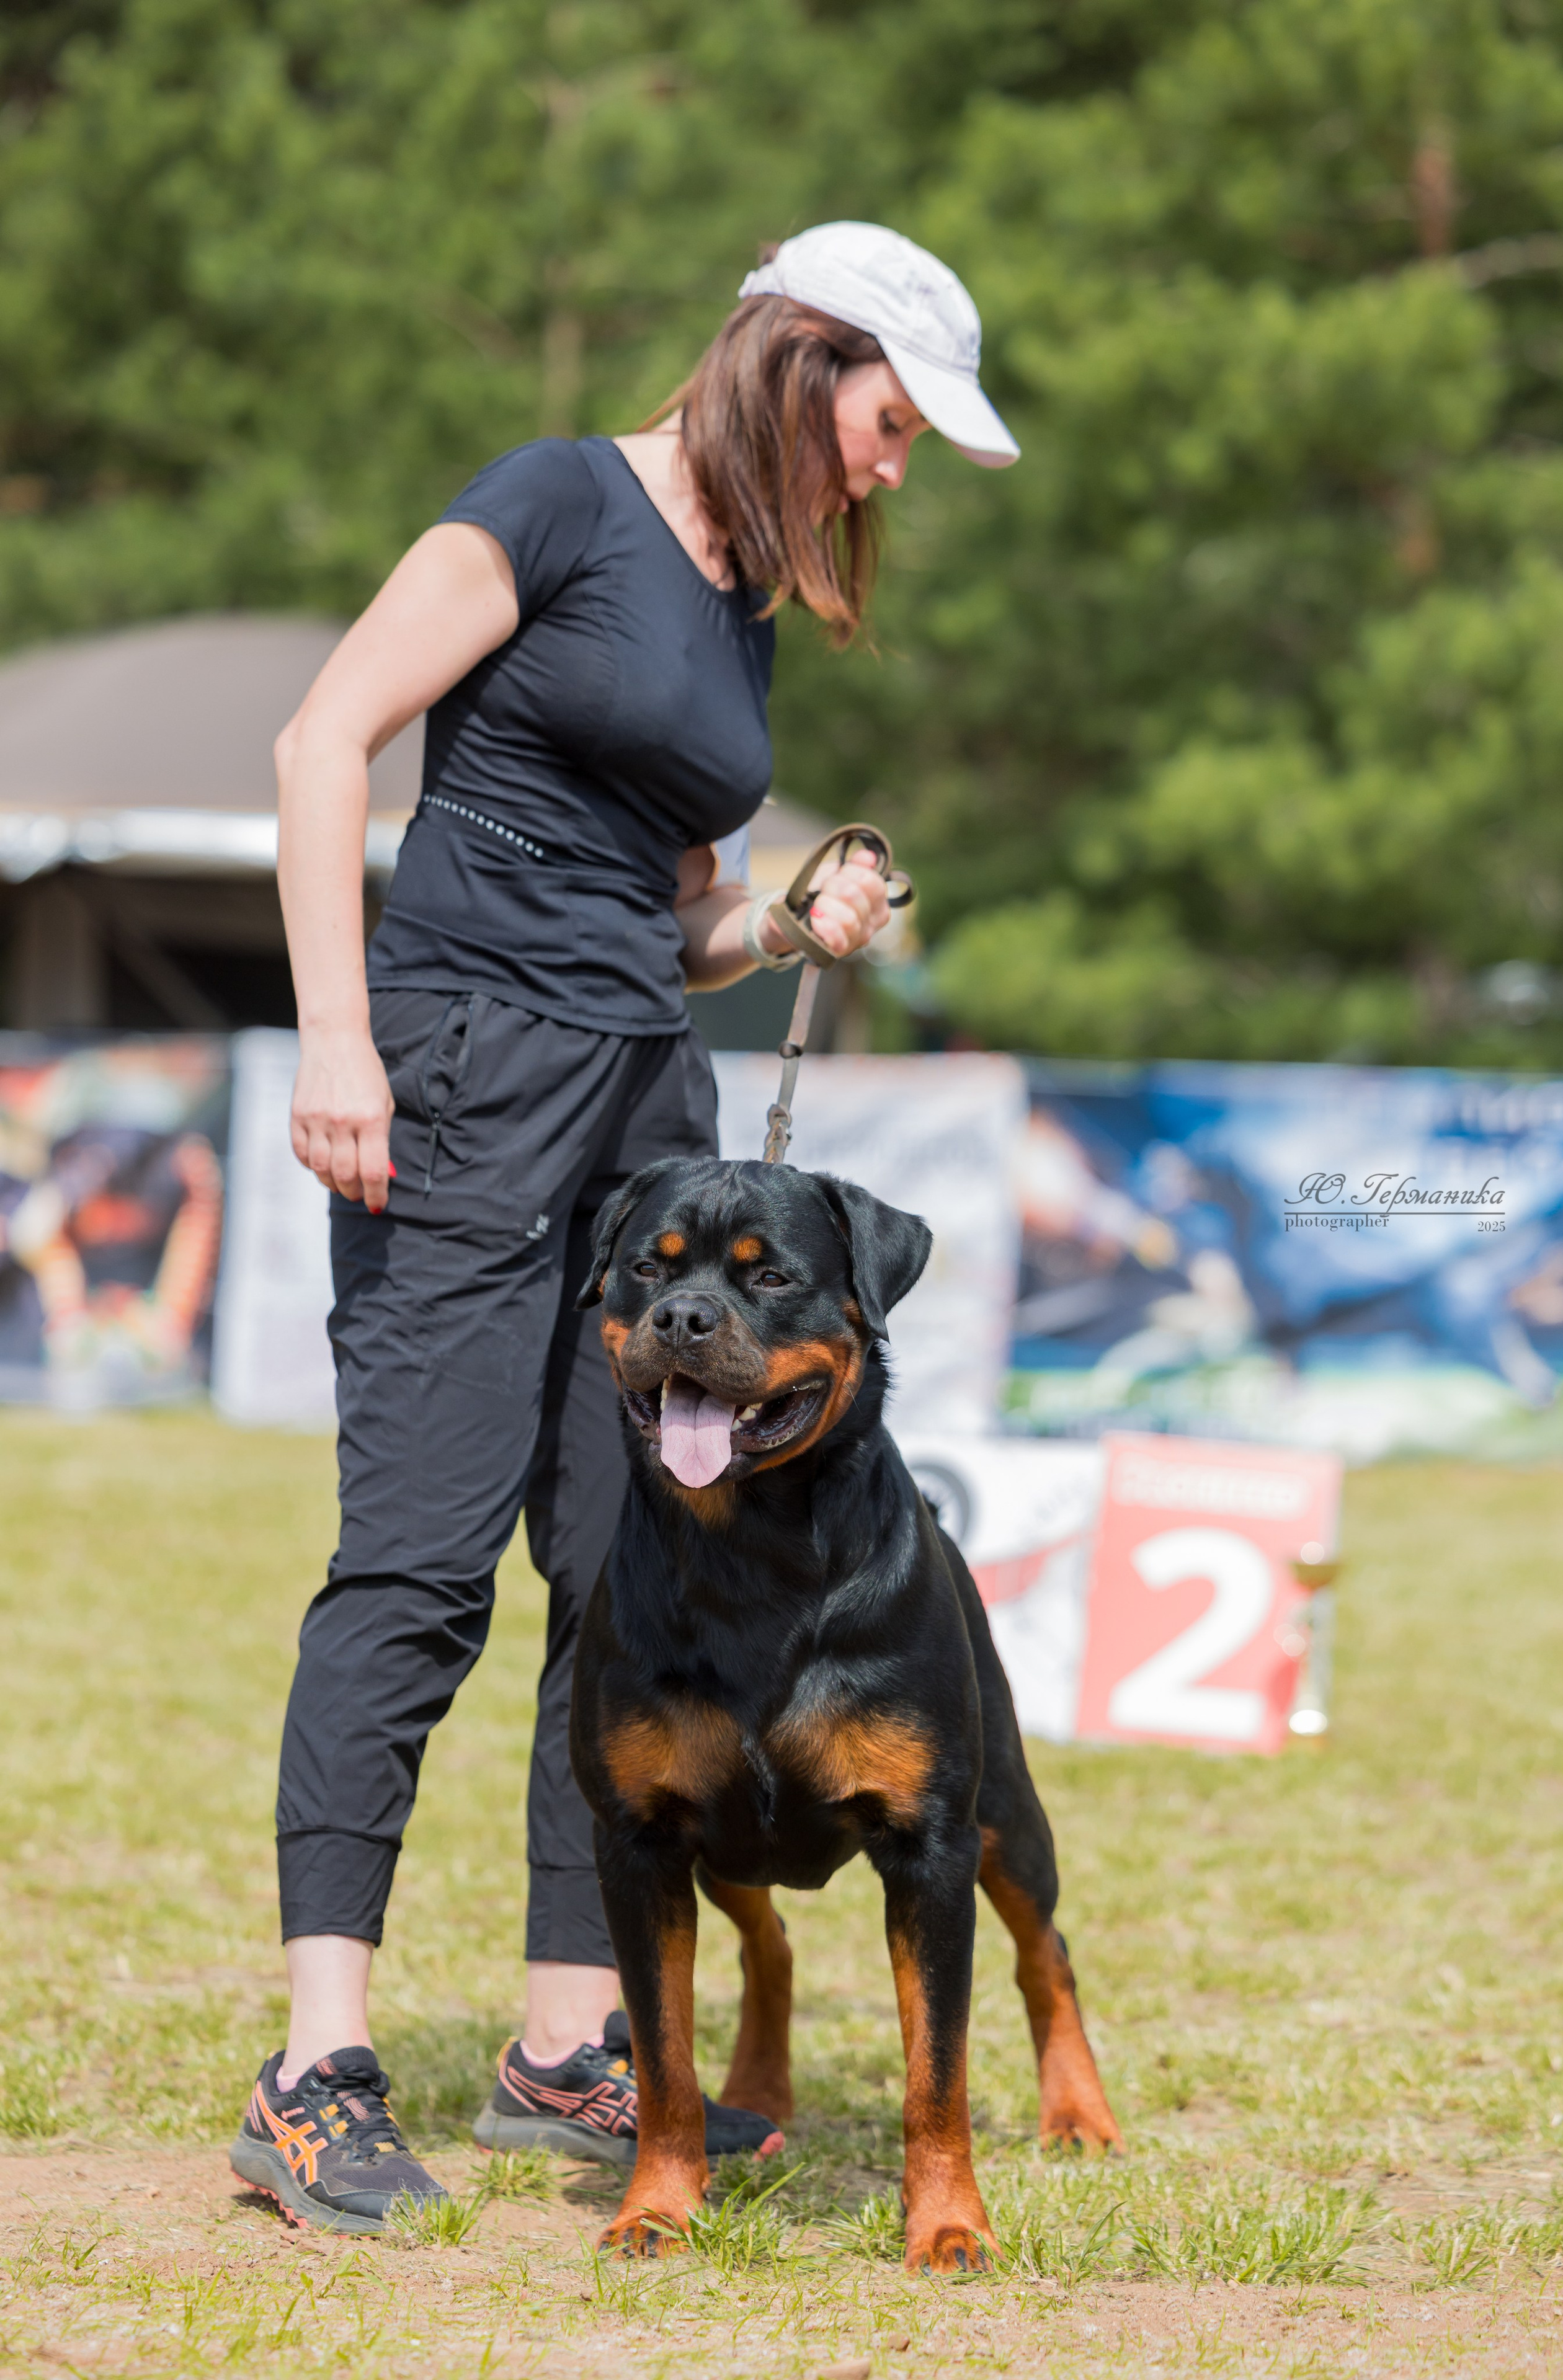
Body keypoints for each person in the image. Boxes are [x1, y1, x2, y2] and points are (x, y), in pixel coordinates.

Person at [228, 220, 1020, 2234]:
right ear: (804, 355)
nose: (894, 467)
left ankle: (568, 2054)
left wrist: (789, 922)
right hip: (457, 1068)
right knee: (415, 1565)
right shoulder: (556, 499)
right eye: (893, 419)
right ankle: (316, 2071)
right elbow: (326, 743)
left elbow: (678, 920)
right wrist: (340, 1037)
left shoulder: (733, 598)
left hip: (640, 1106)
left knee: (626, 1579)